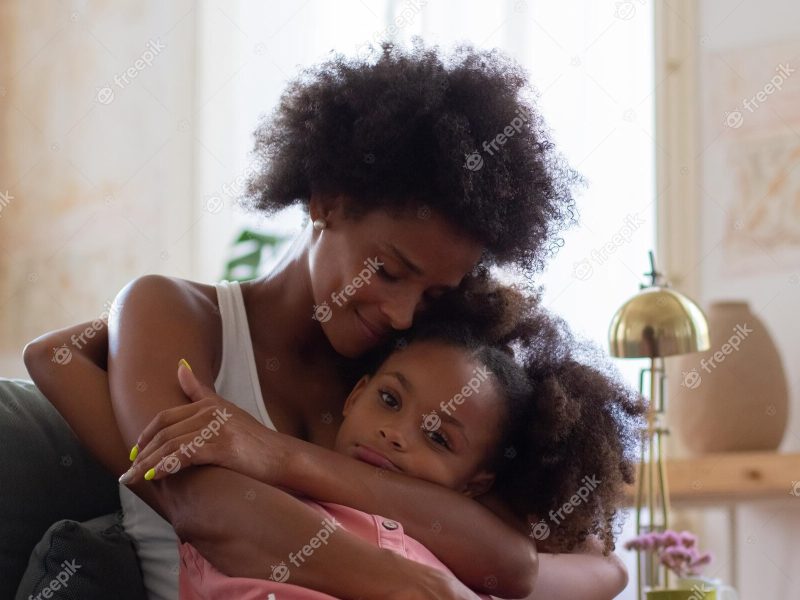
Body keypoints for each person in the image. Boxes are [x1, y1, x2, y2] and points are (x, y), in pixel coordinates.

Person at [22, 39, 627, 599]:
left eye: (433, 296)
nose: (400, 313)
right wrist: (426, 589)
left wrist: (284, 456)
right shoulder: (181, 315)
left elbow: (566, 565)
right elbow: (209, 511)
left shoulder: (404, 379)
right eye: (388, 271)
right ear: (326, 200)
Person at [120, 281, 644, 600]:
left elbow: (601, 567)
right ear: (355, 397)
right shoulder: (270, 509)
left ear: (476, 483)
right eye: (391, 402)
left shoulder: (466, 539)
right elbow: (50, 357)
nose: (395, 434)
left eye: (438, 437)